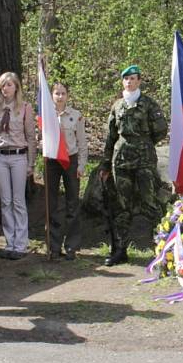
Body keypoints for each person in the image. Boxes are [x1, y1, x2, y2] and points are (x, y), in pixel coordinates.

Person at [99, 65, 167, 266]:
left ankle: (163, 249)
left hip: (144, 160)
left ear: (139, 81)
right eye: (126, 79)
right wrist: (105, 163)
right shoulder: (117, 106)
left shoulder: (148, 104)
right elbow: (110, 137)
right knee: (121, 206)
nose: (129, 82)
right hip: (121, 161)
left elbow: (160, 130)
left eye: (133, 78)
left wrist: (144, 143)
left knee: (150, 203)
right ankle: (120, 250)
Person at [0, 72, 36, 260]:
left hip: (18, 156)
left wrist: (31, 163)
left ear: (16, 87)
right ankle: (9, 242)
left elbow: (31, 137)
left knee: (18, 201)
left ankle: (21, 244)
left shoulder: (25, 108)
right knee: (5, 201)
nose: (5, 89)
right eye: (2, 86)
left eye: (8, 85)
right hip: (0, 156)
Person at [47, 82, 88, 261]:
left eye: (63, 93)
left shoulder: (76, 116)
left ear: (68, 96)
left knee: (72, 203)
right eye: (57, 93)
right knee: (52, 204)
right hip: (52, 160)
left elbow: (82, 143)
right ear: (52, 95)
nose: (60, 96)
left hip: (70, 160)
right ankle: (53, 247)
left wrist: (81, 165)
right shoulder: (46, 115)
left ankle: (71, 245)